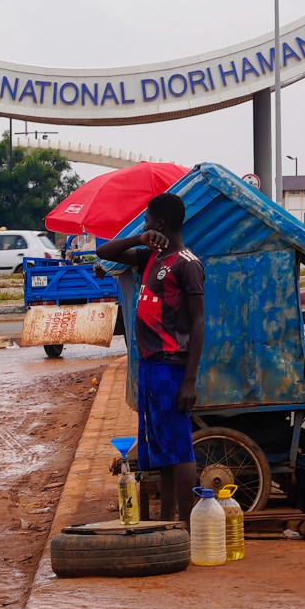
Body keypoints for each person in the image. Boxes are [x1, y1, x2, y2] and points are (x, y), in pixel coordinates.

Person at [96, 193, 204, 525]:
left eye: (146, 222)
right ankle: (166, 520)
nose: (144, 226)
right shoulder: (150, 257)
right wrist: (139, 239)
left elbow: (199, 322)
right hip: (150, 368)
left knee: (180, 450)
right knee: (160, 452)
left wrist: (189, 381)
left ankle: (187, 528)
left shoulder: (187, 264)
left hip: (171, 367)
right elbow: (105, 252)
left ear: (160, 224)